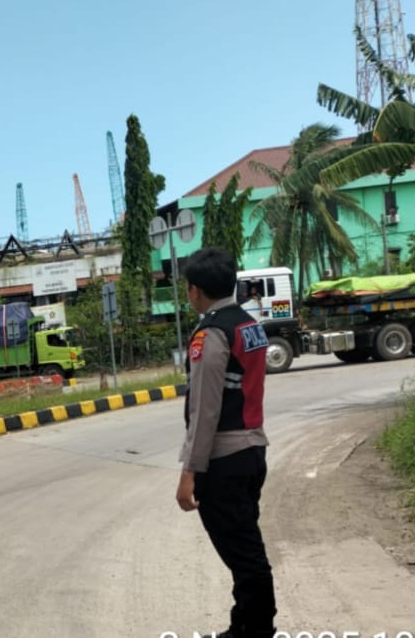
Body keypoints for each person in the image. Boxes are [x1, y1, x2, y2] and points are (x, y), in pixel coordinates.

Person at [176, 247, 276, 638]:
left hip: (225, 461)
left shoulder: (211, 334)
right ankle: (243, 626)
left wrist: (189, 472)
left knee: (245, 556)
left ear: (195, 290)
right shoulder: (249, 325)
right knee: (244, 547)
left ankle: (257, 629)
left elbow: (204, 410)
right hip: (252, 451)